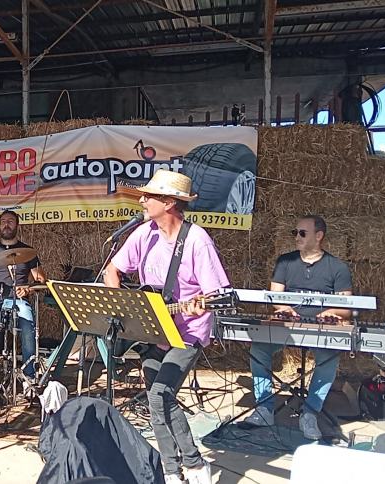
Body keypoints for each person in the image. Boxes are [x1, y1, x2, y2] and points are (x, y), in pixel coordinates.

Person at [104, 169, 229, 484]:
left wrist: (203, 302)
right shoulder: (143, 234)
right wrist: (126, 307)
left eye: (149, 196)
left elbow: (218, 295)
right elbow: (112, 271)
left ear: (170, 202)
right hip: (151, 330)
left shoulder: (197, 240)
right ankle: (172, 472)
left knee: (161, 394)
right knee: (155, 398)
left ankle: (196, 465)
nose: (142, 201)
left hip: (187, 333)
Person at [242, 215, 352, 440]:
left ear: (319, 236)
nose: (297, 237)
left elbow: (347, 308)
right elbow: (275, 297)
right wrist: (283, 309)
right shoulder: (285, 262)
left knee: (330, 357)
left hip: (320, 327)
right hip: (287, 326)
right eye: (295, 233)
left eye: (303, 233)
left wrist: (332, 313)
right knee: (259, 350)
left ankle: (310, 412)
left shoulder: (337, 267)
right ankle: (264, 408)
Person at [0, 210, 47, 380]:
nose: (6, 224)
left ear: (17, 225)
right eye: (3, 221)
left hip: (18, 301)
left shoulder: (27, 251)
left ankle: (30, 376)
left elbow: (41, 279)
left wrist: (28, 288)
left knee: (28, 323)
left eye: (11, 221)